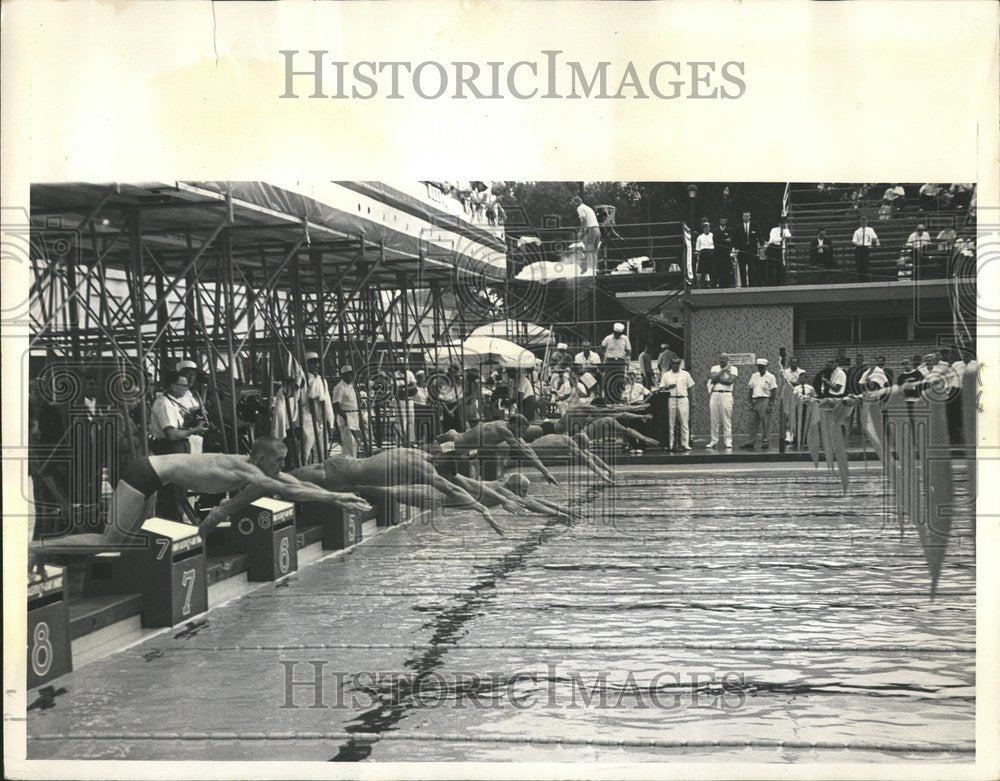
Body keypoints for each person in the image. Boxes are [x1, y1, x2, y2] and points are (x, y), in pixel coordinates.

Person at [32, 436, 371, 551]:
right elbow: (286, 490)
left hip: (154, 477)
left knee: (125, 544)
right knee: (108, 542)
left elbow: (298, 484)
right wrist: (337, 498)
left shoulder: (256, 464)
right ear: (264, 458)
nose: (284, 464)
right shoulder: (247, 470)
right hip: (144, 473)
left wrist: (339, 497)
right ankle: (37, 548)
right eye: (280, 459)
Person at [293, 448, 504, 536]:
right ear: (440, 467)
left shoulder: (422, 455)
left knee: (282, 484)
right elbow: (451, 488)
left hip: (344, 467)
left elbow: (457, 481)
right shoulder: (425, 468)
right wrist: (481, 508)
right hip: (338, 474)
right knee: (278, 483)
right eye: (441, 474)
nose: (438, 477)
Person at [302, 352, 335, 463]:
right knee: (304, 452)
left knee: (321, 452)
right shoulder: (303, 380)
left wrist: (330, 421)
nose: (316, 366)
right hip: (307, 419)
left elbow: (328, 403)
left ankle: (318, 476)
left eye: (317, 363)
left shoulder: (321, 381)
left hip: (321, 421)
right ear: (306, 365)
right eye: (312, 363)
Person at [658, 356, 695, 452]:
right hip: (671, 399)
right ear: (671, 364)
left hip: (683, 399)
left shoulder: (685, 374)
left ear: (680, 364)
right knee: (671, 423)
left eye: (677, 363)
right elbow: (661, 388)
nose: (675, 365)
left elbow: (691, 387)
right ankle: (670, 444)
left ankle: (685, 443)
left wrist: (693, 400)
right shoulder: (666, 375)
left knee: (684, 422)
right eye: (673, 363)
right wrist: (668, 387)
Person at [740, 358, 777, 450]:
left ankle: (765, 441)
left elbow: (773, 392)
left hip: (765, 400)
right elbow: (750, 389)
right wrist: (750, 402)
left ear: (766, 366)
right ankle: (750, 442)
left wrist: (770, 404)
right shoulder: (754, 376)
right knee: (752, 423)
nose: (760, 368)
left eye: (762, 367)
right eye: (759, 367)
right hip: (755, 400)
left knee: (766, 423)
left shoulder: (771, 377)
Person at [706, 353, 738, 450]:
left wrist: (717, 379)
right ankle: (714, 441)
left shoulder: (733, 369)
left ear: (728, 360)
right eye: (720, 359)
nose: (721, 360)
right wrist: (723, 371)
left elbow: (729, 381)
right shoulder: (714, 367)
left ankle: (728, 441)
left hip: (726, 394)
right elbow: (713, 378)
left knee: (726, 419)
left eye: (723, 359)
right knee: (714, 419)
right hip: (715, 394)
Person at [331, 364, 362, 458]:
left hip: (354, 415)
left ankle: (353, 462)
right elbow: (336, 405)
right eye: (348, 375)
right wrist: (345, 418)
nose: (351, 377)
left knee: (355, 443)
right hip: (346, 415)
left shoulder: (351, 386)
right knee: (348, 443)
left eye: (352, 374)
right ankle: (348, 464)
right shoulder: (339, 387)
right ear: (343, 375)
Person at [601, 322, 631, 403]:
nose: (618, 335)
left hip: (620, 362)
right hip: (610, 361)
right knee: (608, 380)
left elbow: (628, 350)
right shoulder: (608, 338)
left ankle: (618, 399)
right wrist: (604, 357)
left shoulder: (625, 339)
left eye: (619, 333)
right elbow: (602, 347)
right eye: (616, 333)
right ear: (614, 331)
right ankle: (608, 400)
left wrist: (627, 359)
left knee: (619, 380)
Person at [570, 195, 601, 273]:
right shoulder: (588, 207)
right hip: (597, 229)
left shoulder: (580, 208)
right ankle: (595, 269)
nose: (573, 206)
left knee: (588, 249)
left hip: (591, 229)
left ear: (576, 203)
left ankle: (590, 270)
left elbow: (583, 219)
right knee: (594, 251)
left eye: (573, 203)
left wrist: (582, 230)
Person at [733, 210, 762, 287]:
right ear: (743, 217)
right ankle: (744, 285)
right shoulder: (738, 227)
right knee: (742, 268)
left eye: (747, 216)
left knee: (751, 268)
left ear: (750, 217)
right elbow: (735, 239)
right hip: (742, 250)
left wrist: (762, 243)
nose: (746, 217)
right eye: (745, 216)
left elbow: (759, 235)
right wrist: (736, 248)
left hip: (751, 250)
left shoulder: (755, 225)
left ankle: (752, 285)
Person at [782, 357, 806, 445]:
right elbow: (786, 383)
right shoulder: (785, 372)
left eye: (795, 362)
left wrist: (793, 383)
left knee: (797, 415)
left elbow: (802, 382)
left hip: (798, 395)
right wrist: (794, 383)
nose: (793, 364)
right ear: (790, 363)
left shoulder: (802, 371)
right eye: (792, 362)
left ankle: (796, 435)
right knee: (788, 415)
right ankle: (788, 436)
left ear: (798, 363)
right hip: (788, 395)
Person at [851, 217, 880, 282]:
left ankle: (866, 278)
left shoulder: (870, 230)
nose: (863, 223)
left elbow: (875, 237)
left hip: (867, 248)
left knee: (866, 264)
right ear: (860, 222)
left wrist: (877, 244)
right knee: (860, 264)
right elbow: (854, 241)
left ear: (867, 222)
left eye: (865, 221)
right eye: (862, 221)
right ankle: (861, 278)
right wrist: (857, 244)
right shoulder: (857, 231)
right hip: (859, 248)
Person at [765, 217, 790, 285]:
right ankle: (770, 283)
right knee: (771, 267)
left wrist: (785, 230)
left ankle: (778, 283)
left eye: (784, 223)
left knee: (780, 267)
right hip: (773, 248)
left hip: (779, 249)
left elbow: (788, 235)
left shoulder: (785, 230)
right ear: (779, 224)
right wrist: (781, 238)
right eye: (781, 223)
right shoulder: (774, 230)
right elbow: (773, 240)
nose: (783, 225)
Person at [714, 216, 734, 288]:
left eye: (724, 221)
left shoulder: (729, 229)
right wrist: (725, 240)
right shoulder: (716, 230)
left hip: (726, 252)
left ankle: (727, 284)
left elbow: (730, 240)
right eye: (722, 221)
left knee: (727, 269)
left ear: (726, 221)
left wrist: (722, 240)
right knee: (719, 269)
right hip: (718, 253)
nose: (723, 222)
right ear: (719, 221)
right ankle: (721, 284)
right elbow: (716, 241)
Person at [695, 223, 715, 288]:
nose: (706, 229)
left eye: (708, 227)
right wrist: (699, 255)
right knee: (703, 270)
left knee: (711, 270)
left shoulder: (713, 235)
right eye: (705, 228)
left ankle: (712, 284)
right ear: (703, 229)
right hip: (703, 253)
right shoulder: (700, 237)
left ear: (710, 228)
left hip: (711, 253)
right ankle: (703, 285)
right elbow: (697, 248)